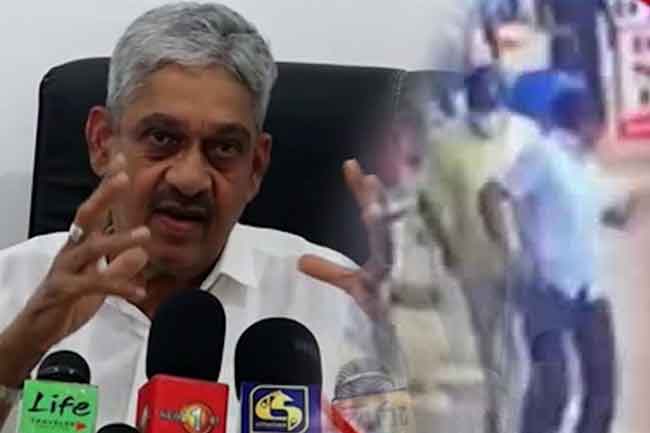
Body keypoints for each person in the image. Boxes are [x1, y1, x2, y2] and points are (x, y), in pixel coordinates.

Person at [0, 3, 402, 432]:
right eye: (161, 138)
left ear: (256, 167)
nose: (190, 179)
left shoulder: (337, 302)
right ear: (102, 143)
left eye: (224, 148)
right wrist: (17, 353)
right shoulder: (13, 289)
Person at [482, 88, 628, 433]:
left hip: (589, 288)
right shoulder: (543, 155)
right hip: (547, 287)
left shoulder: (587, 167)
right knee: (553, 389)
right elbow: (490, 194)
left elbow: (605, 216)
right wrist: (508, 249)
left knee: (602, 388)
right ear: (588, 122)